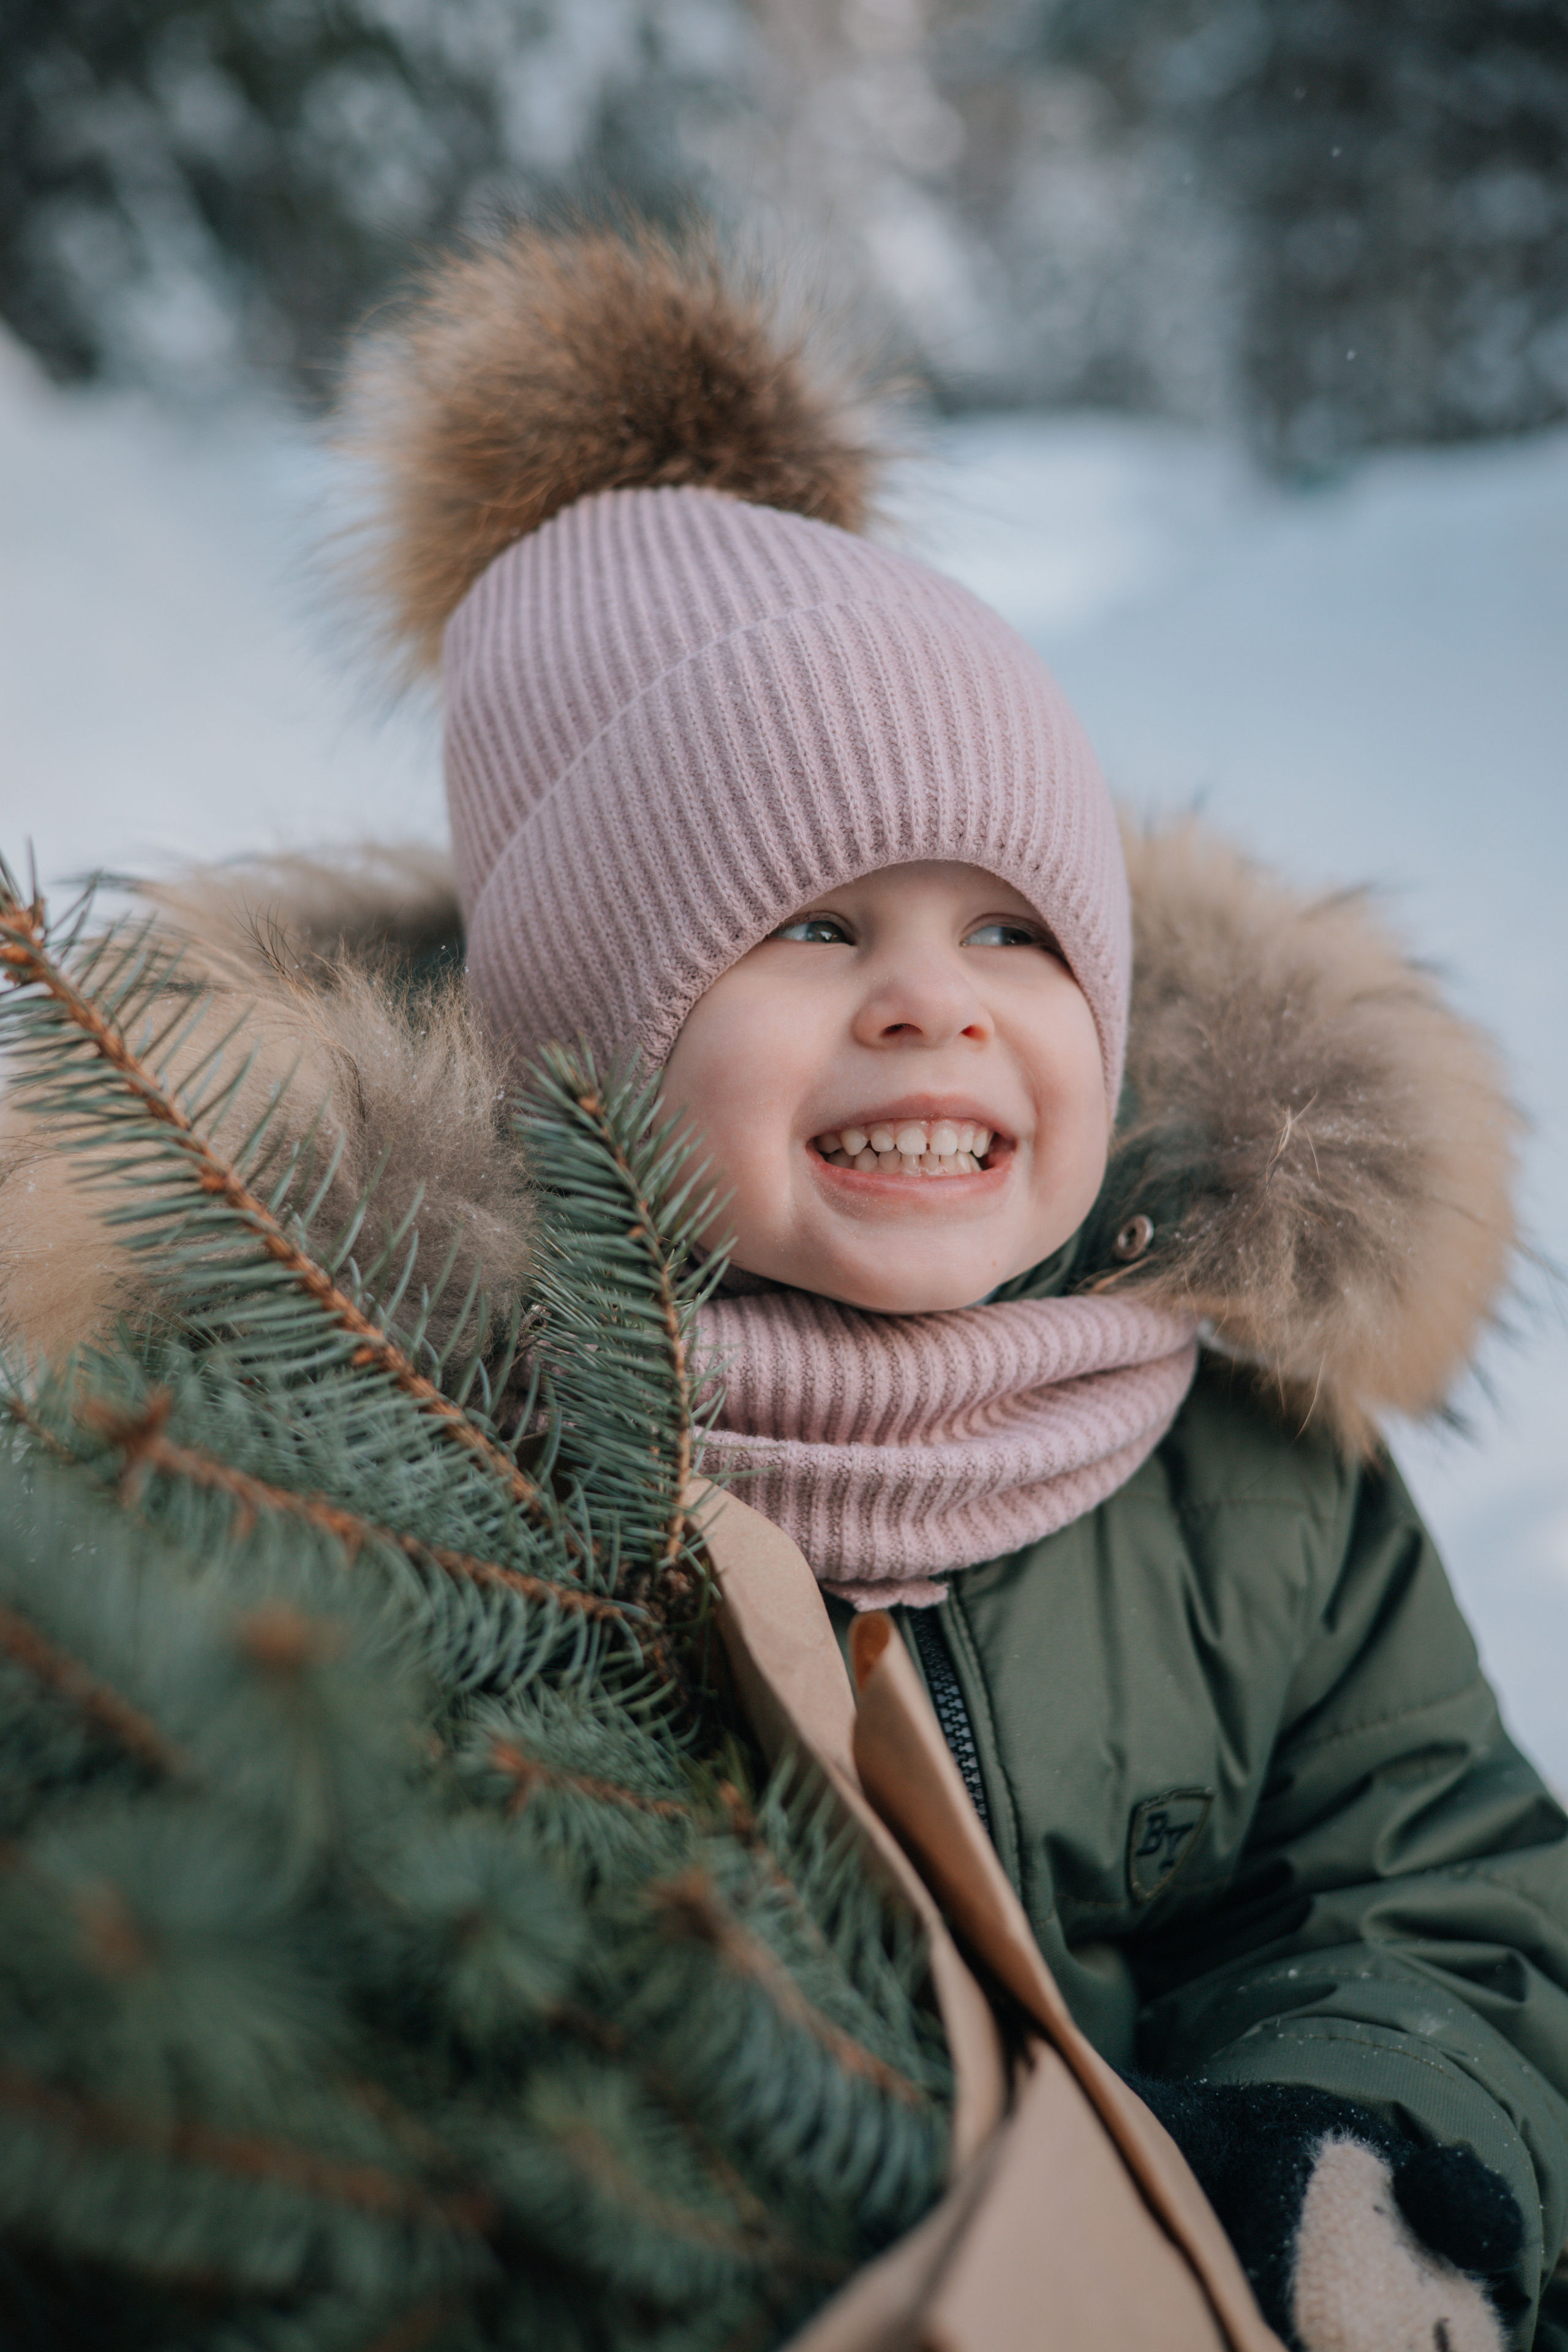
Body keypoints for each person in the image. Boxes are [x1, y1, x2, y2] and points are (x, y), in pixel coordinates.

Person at [29, 221, 1568, 2349]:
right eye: (816, 929)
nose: (936, 1006)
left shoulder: (1237, 1460)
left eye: (1013, 930)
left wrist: (1358, 2144)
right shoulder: (356, 1462)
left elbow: (1432, 1869)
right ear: (585, 1039)